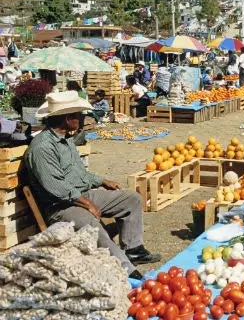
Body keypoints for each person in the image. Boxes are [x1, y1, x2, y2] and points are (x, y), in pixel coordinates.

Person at [23, 91, 160, 279]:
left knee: (131, 199)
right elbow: (57, 188)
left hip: (81, 195)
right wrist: (87, 204)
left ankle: (133, 248)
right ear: (66, 118)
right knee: (90, 223)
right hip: (60, 207)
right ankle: (126, 270)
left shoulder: (66, 139)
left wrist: (102, 181)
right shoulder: (42, 148)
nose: (82, 118)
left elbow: (80, 174)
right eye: (79, 114)